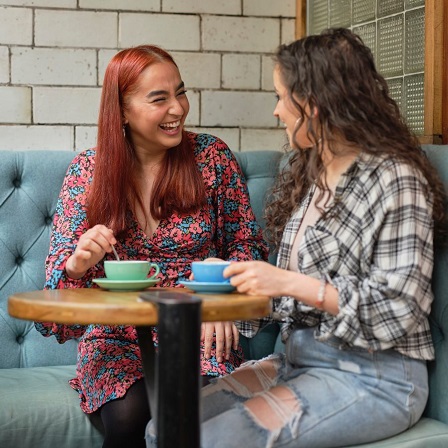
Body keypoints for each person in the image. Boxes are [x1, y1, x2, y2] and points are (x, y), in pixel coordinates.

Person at [148, 28, 448, 447]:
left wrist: (286, 281)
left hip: (374, 377)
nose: (276, 111)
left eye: (281, 97)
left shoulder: (396, 179)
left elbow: (396, 310)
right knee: (164, 425)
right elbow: (297, 300)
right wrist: (237, 281)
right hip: (297, 362)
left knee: (215, 439)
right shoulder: (315, 175)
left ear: (315, 103)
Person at [34, 45, 268, 448]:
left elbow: (248, 247)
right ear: (122, 110)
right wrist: (77, 266)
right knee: (127, 417)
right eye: (159, 99)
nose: (177, 108)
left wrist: (217, 293)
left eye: (181, 92)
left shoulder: (211, 158)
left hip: (195, 331)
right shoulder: (87, 172)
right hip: (115, 338)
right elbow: (56, 311)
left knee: (193, 416)